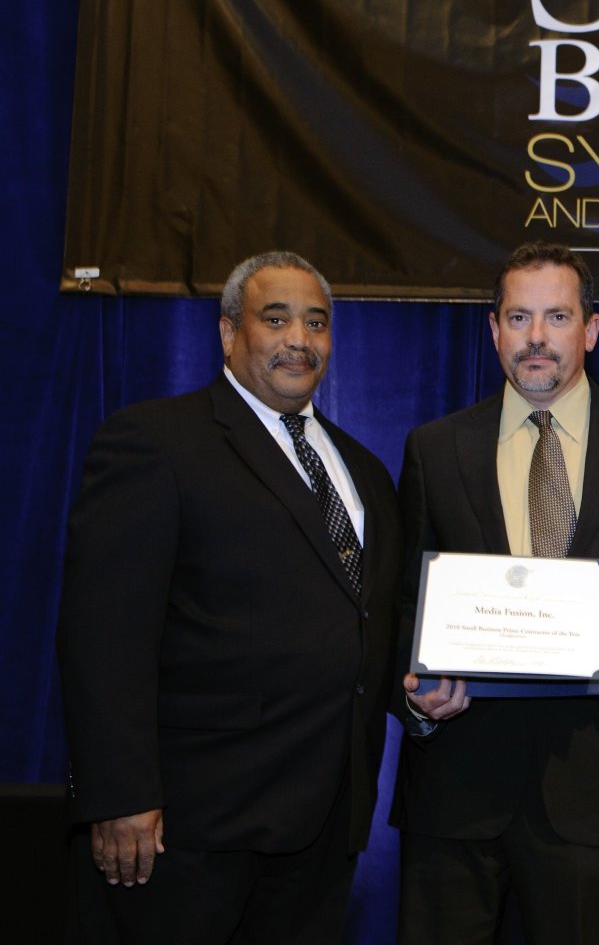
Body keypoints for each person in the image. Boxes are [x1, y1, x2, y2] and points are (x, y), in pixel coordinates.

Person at [57, 251, 402, 942]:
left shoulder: (362, 468)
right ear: (227, 333)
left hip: (324, 825)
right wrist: (122, 794)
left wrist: (420, 684)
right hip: (190, 829)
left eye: (317, 322)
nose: (299, 339)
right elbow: (104, 636)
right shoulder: (156, 442)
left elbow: (368, 620)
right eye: (275, 319)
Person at [392, 241, 599, 945]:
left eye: (557, 316)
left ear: (590, 330)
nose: (536, 337)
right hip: (455, 787)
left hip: (596, 794)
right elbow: (399, 605)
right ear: (494, 329)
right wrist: (414, 694)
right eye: (518, 317)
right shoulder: (434, 447)